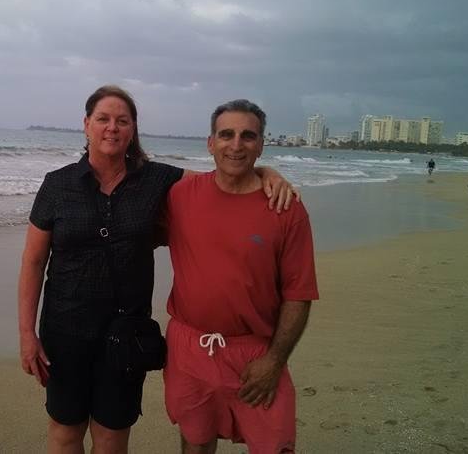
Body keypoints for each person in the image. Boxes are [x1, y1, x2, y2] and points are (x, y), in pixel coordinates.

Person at [18, 86, 296, 453]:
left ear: (133, 129)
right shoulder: (57, 185)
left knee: (112, 438)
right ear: (86, 125)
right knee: (65, 432)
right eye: (103, 119)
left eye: (122, 120)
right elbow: (33, 262)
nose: (112, 128)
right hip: (65, 331)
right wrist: (27, 333)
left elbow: (221, 176)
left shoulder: (156, 180)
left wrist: (265, 171)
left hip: (126, 334)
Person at [163, 99, 318, 453]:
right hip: (189, 348)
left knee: (274, 445)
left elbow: (299, 294)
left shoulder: (285, 208)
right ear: (210, 143)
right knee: (196, 441)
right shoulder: (179, 195)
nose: (236, 145)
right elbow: (125, 178)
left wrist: (275, 361)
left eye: (248, 136)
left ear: (261, 145)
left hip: (256, 352)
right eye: (226, 135)